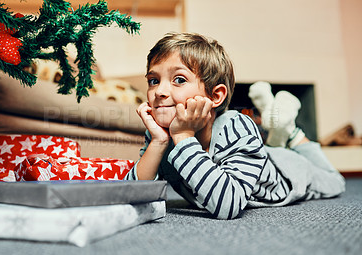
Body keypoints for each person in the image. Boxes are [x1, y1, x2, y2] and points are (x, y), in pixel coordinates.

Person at [124, 32, 345, 219]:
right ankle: (280, 135)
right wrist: (159, 142)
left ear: (216, 96)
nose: (159, 92)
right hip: (257, 156)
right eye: (154, 80)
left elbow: (228, 205)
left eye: (179, 80)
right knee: (269, 150)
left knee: (335, 182)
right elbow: (130, 197)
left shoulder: (236, 126)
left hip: (289, 172)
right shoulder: (160, 134)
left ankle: (292, 134)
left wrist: (183, 136)